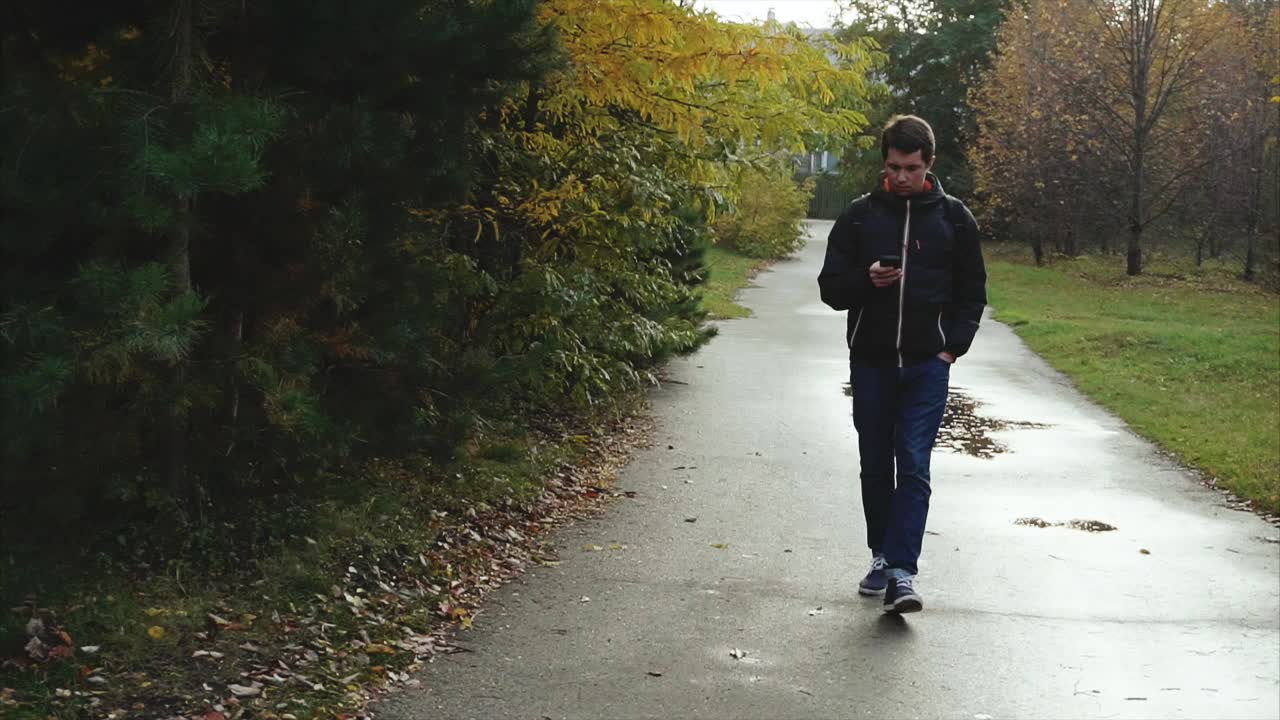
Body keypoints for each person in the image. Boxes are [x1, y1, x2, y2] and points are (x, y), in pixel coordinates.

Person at [817, 115, 987, 614]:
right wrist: (866, 280)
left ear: (929, 164)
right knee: (876, 462)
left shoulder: (955, 218)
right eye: (893, 167)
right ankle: (880, 554)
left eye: (911, 168)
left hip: (927, 366)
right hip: (870, 362)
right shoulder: (859, 216)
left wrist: (952, 347)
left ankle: (902, 574)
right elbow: (830, 289)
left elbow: (972, 292)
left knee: (913, 463)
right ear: (884, 163)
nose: (901, 177)